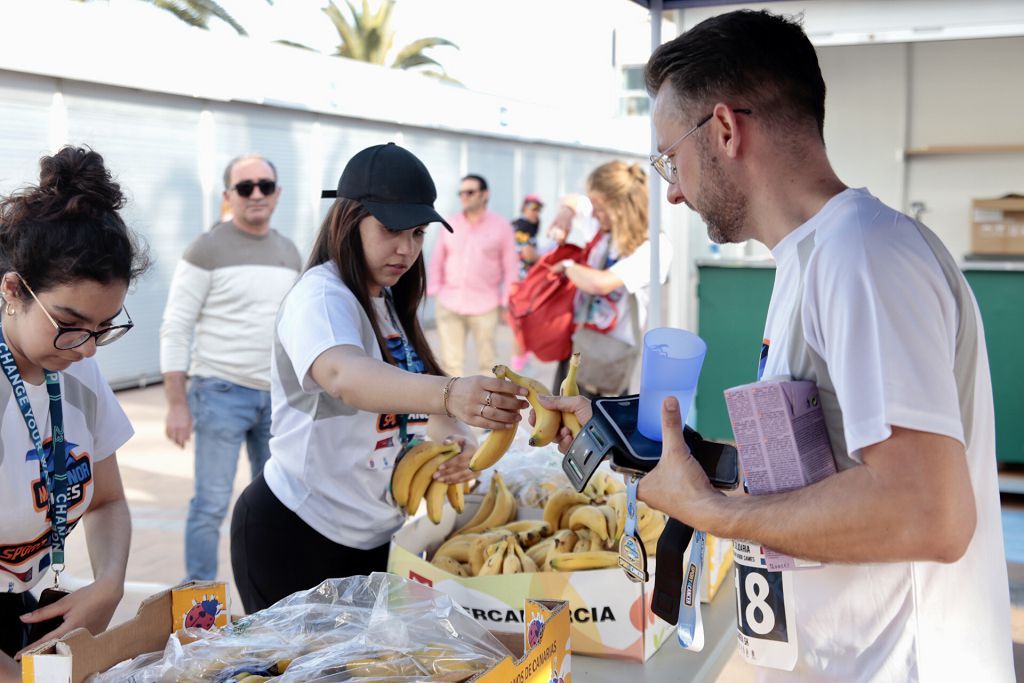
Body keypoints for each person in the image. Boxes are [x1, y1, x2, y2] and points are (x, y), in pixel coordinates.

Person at [542, 10, 1014, 680]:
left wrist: (709, 512)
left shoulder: (864, 256)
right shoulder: (815, 258)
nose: (672, 191)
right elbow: (825, 471)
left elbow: (930, 513)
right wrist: (642, 445)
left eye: (668, 158)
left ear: (726, 129)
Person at [230, 143, 526, 614]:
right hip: (296, 533)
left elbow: (420, 390)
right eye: (390, 230)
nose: (406, 248)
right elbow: (346, 375)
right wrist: (451, 395)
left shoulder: (386, 299)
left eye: (417, 233)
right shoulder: (321, 297)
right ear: (349, 221)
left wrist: (456, 440)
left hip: (374, 539)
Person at [0, 146, 149, 681]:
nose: (88, 348)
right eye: (70, 322)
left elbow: (107, 501)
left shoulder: (76, 367)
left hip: (30, 610)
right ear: (13, 290)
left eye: (104, 327)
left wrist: (109, 583)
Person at [159, 154, 302, 582]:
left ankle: (272, 593)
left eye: (264, 185)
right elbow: (176, 326)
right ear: (228, 196)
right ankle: (197, 601)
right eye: (245, 187)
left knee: (278, 501)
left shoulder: (289, 252)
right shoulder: (206, 249)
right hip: (219, 392)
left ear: (277, 194)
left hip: (276, 399)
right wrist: (176, 404)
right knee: (211, 504)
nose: (255, 194)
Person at [548, 162, 672, 396]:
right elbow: (573, 200)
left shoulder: (653, 248)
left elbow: (600, 283)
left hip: (608, 361)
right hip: (577, 347)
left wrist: (567, 267)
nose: (593, 214)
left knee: (596, 428)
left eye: (599, 207)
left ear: (621, 208)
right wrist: (565, 214)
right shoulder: (603, 229)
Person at [427, 174, 518, 377]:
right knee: (450, 365)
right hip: (449, 302)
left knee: (490, 365)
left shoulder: (501, 226)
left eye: (470, 192)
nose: (464, 197)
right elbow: (437, 259)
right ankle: (453, 408)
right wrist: (436, 289)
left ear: (484, 195)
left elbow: (511, 267)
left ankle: (487, 407)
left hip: (485, 305)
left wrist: (506, 302)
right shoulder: (450, 224)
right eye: (461, 193)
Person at [509, 194, 543, 372]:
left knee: (524, 323)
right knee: (521, 324)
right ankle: (519, 365)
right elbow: (528, 254)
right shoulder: (524, 225)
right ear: (524, 208)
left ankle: (522, 360)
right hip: (521, 283)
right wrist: (546, 259)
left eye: (538, 209)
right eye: (532, 208)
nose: (536, 213)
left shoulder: (522, 224)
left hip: (522, 282)